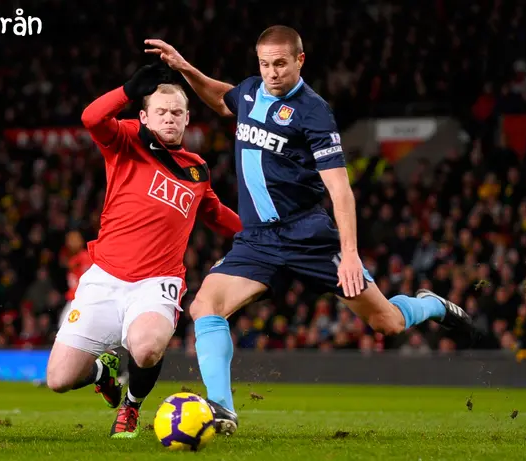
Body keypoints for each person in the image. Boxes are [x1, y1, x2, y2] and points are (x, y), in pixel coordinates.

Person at [145, 25, 474, 435]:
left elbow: (340, 189)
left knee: (386, 322)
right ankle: (222, 410)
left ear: (300, 60)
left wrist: (350, 253)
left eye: (280, 64)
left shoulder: (314, 111)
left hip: (309, 238)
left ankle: (431, 305)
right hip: (258, 241)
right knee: (204, 307)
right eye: (265, 64)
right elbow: (223, 98)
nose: (272, 73)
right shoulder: (249, 91)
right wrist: (184, 68)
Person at [45, 63, 242, 439]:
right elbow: (91, 117)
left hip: (158, 281)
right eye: (161, 112)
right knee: (58, 379)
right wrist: (127, 88)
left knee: (148, 348)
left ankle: (131, 407)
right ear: (144, 115)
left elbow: (215, 214)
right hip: (104, 277)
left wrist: (263, 234)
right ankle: (103, 373)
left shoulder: (197, 170)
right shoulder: (126, 140)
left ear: (187, 119)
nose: (169, 118)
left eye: (177, 113)